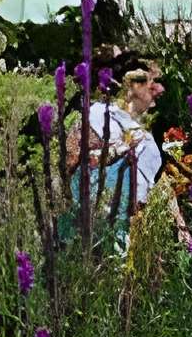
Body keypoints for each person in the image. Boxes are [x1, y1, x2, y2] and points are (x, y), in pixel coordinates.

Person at [68, 61, 165, 230]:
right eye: (151, 81)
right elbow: (73, 159)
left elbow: (143, 197)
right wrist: (121, 147)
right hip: (83, 217)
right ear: (131, 84)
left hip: (121, 230)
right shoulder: (99, 114)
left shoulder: (150, 145)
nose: (158, 88)